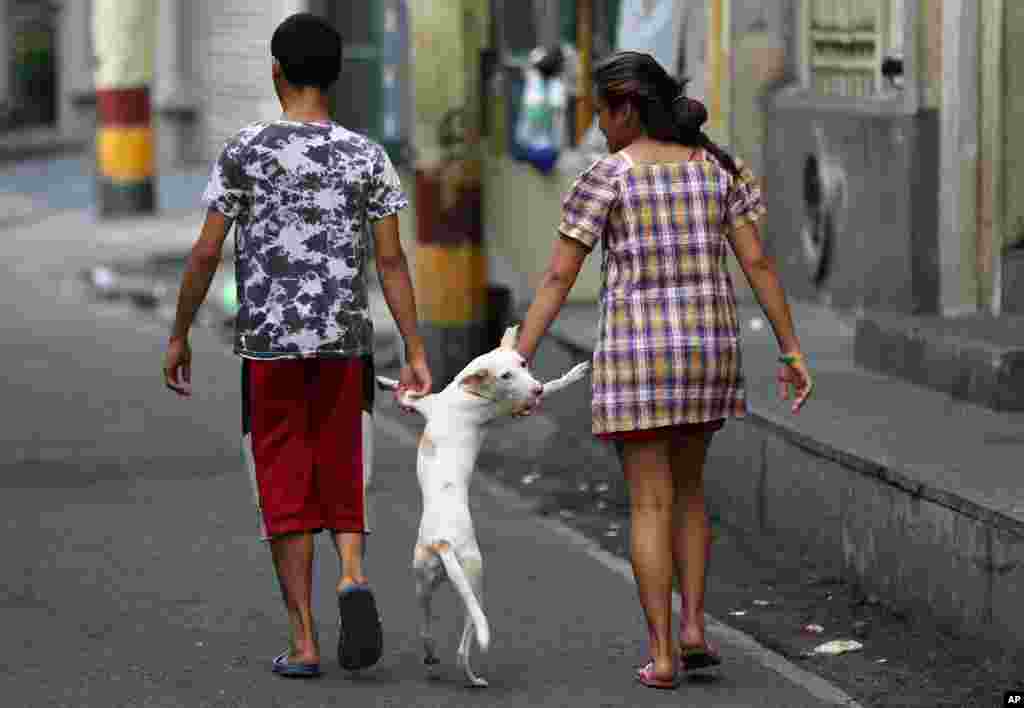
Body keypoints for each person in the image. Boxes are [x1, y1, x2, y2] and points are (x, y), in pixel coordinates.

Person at [514, 51, 813, 690]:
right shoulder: (717, 170)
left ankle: (663, 655)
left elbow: (559, 276)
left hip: (639, 358)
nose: (599, 128)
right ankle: (696, 627)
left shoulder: (609, 178)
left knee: (650, 501)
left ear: (627, 108)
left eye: (602, 113)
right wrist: (790, 349)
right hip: (709, 353)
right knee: (691, 493)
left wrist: (518, 358)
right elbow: (758, 265)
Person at [162, 13, 431, 678]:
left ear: (276, 72)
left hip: (269, 349)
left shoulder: (247, 150)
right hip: (345, 344)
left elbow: (204, 252)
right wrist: (416, 348)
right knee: (342, 466)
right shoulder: (365, 154)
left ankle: (306, 641)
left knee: (283, 480)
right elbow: (392, 263)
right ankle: (352, 572)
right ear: (335, 77)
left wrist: (179, 335)